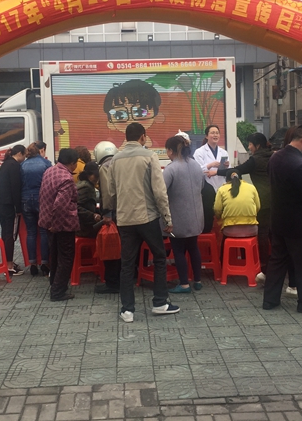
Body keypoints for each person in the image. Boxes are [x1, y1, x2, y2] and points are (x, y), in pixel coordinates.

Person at [108, 122, 178, 322]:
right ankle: (160, 302)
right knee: (159, 257)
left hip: (125, 219)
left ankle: (127, 310)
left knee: (127, 264)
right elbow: (159, 191)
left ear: (126, 137)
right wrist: (167, 217)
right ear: (143, 137)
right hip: (147, 217)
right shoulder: (150, 156)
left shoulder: (115, 160)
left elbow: (111, 191)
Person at [264, 124, 302, 314]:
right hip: (298, 223)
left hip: (278, 219)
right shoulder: (301, 165)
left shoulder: (275, 158)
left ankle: (270, 300)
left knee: (277, 260)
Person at [217, 132, 272, 280]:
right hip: (276, 199)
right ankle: (277, 265)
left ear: (257, 145)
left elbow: (237, 170)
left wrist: (216, 171)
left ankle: (264, 267)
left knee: (263, 234)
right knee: (273, 234)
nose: (249, 147)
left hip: (264, 200)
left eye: (250, 144)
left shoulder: (255, 160)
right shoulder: (273, 156)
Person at [163, 135, 204, 293]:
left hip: (178, 217)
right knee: (193, 247)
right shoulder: (196, 165)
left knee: (178, 249)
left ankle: (184, 284)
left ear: (170, 150)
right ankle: (198, 281)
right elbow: (201, 186)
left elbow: (161, 192)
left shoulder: (171, 168)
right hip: (196, 216)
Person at [39, 148, 80, 302]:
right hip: (62, 224)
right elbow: (61, 205)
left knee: (55, 255)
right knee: (66, 257)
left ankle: (54, 284)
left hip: (47, 221)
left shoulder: (49, 171)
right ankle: (58, 291)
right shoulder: (67, 178)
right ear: (72, 163)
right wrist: (56, 225)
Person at [21, 141, 52, 277]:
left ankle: (32, 264)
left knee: (31, 232)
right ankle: (45, 263)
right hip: (41, 199)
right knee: (44, 231)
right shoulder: (46, 164)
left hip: (26, 200)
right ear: (41, 151)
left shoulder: (22, 165)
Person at [0, 145, 26, 276]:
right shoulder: (14, 166)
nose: (24, 158)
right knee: (10, 235)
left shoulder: (6, 164)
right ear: (19, 153)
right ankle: (8, 265)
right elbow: (15, 189)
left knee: (5, 233)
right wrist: (19, 208)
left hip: (1, 203)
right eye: (24, 155)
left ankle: (7, 262)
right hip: (9, 205)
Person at [95, 140, 122, 294]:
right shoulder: (121, 163)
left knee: (111, 247)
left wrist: (106, 213)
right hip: (128, 211)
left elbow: (107, 192)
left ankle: (112, 283)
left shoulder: (104, 167)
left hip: (114, 214)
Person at [213, 170, 260, 238]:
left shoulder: (222, 189)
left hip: (230, 230)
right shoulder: (251, 187)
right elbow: (258, 207)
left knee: (225, 240)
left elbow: (217, 209)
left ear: (227, 180)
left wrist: (219, 217)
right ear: (241, 178)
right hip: (251, 229)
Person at [194, 124, 230, 192]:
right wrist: (210, 165)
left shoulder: (224, 152)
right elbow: (197, 171)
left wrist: (226, 166)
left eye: (217, 133)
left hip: (222, 186)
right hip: (206, 187)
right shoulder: (199, 152)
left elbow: (228, 172)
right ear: (206, 136)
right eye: (212, 133)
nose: (215, 135)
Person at [76, 161, 103, 238]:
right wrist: (93, 215)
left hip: (82, 224)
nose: (97, 178)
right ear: (88, 175)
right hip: (85, 227)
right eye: (95, 176)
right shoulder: (86, 187)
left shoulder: (84, 183)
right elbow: (75, 206)